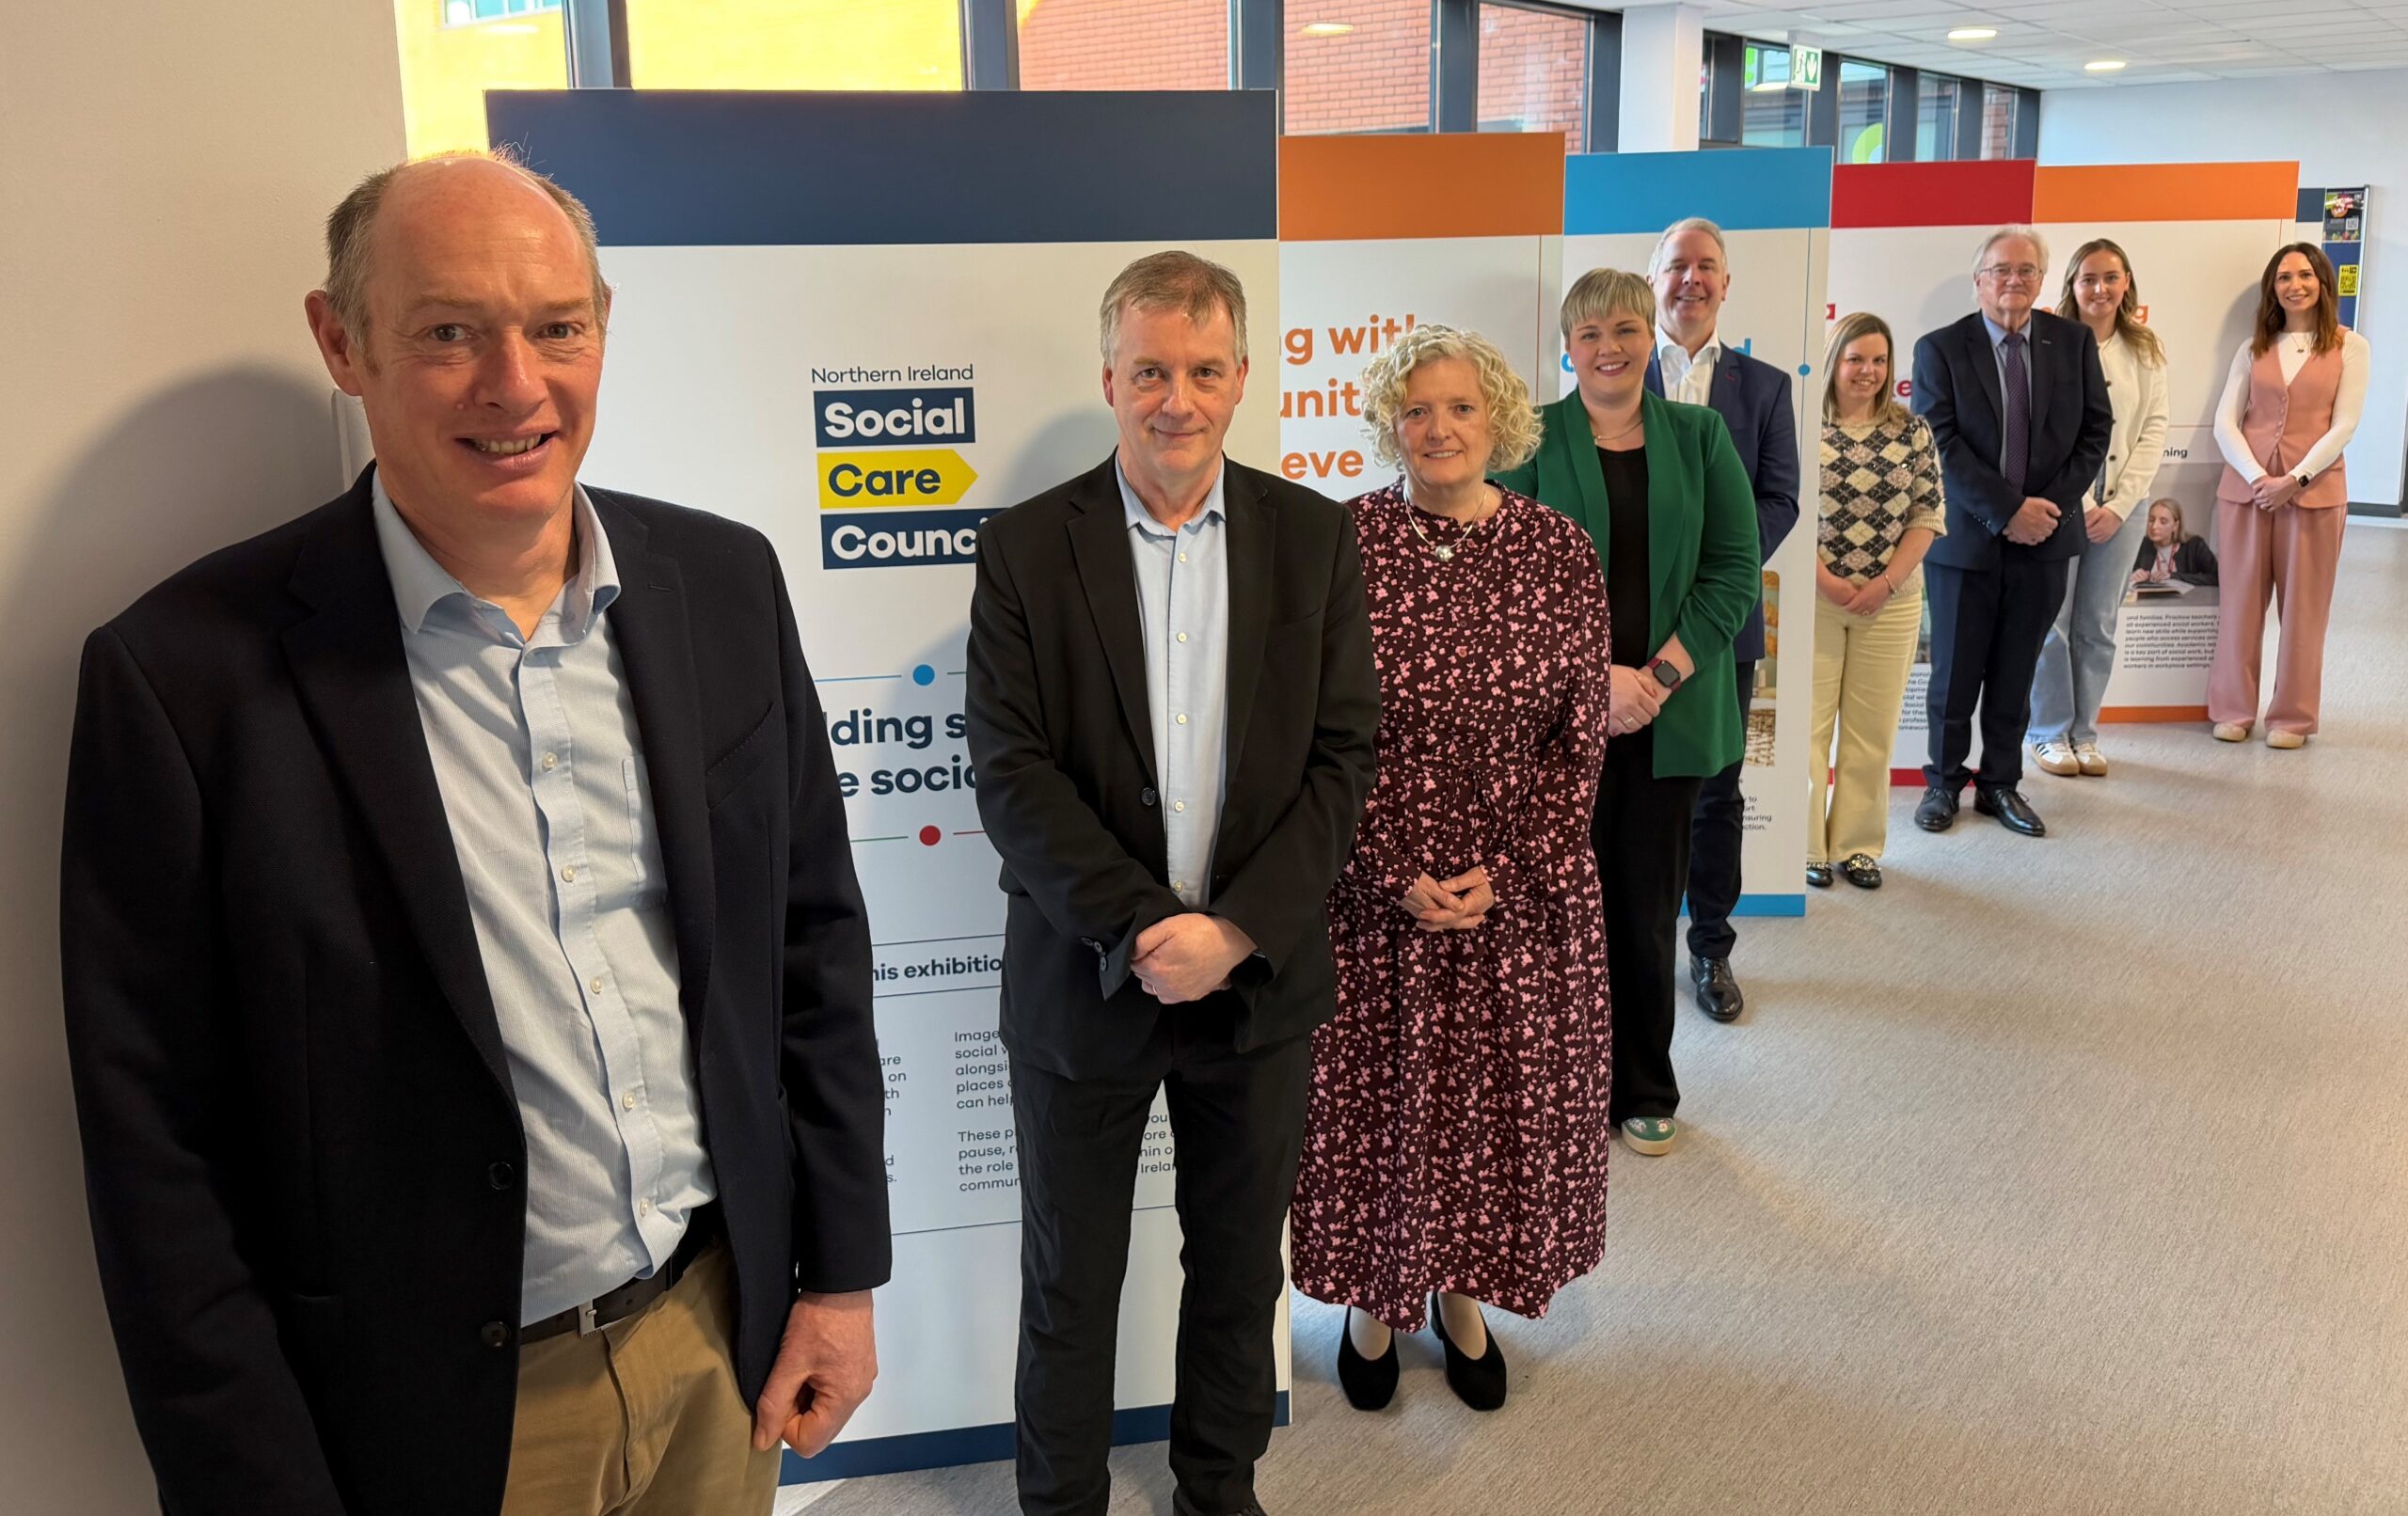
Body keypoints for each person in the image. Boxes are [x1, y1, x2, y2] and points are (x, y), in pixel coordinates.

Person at [58, 154, 888, 1516]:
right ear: (343, 343)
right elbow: (157, 1152)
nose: (516, 385)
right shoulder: (182, 680)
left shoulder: (722, 585)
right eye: (449, 332)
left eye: (557, 325)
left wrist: (839, 1273)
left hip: (709, 1335)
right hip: (426, 1419)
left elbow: (811, 949)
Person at [965, 251, 1378, 1516]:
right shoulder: (1029, 548)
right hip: (1087, 982)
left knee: (1239, 1272)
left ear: (1243, 380)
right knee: (1071, 1281)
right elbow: (1011, 771)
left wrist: (1237, 928)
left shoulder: (1314, 537)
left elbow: (1343, 754)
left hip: (1257, 991)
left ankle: (1217, 1489)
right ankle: (1061, 1502)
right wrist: (1149, 926)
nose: (1175, 399)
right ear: (1109, 377)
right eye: (1150, 370)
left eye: (1203, 371)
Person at [1291, 326, 1610, 1416]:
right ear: (1391, 422)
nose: (1439, 429)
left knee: (1488, 1115)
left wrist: (1509, 873)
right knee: (1377, 1108)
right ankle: (1374, 1304)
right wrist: (1387, 870)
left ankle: (1464, 1296)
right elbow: (1301, 732)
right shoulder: (1336, 544)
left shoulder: (1558, 550)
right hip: (1366, 898)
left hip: (1513, 902)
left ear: (1499, 422)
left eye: (1461, 408)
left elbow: (1579, 737)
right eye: (1417, 409)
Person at [1497, 268, 1759, 1158]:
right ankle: (1557, 1089)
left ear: (1653, 337)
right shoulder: (1527, 437)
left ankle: (1644, 1083)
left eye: (1625, 328)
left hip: (1669, 720)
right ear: (1566, 347)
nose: (1608, 347)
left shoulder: (1701, 434)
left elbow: (1732, 568)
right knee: (1549, 915)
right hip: (1552, 723)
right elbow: (1503, 581)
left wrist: (1656, 676)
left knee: (1644, 910)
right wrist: (1592, 678)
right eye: (1589, 332)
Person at [1643, 217, 1801, 1023]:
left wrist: (1716, 573)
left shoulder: (1765, 387)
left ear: (1727, 283)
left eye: (1707, 266)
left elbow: (1781, 500)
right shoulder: (1614, 374)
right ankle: (1628, 952)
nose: (1691, 280)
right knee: (1627, 795)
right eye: (1677, 266)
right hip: (1626, 632)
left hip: (1725, 625)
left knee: (1716, 793)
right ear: (1655, 280)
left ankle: (1708, 946)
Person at [1910, 226, 2113, 840]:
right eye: (2001, 270)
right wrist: (2006, 510)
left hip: (2046, 538)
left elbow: (2095, 433)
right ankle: (1944, 781)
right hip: (1964, 539)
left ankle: (2000, 783)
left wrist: (2043, 508)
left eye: (2026, 270)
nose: (2013, 281)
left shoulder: (2072, 343)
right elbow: (1938, 442)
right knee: (1954, 671)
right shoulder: (1940, 348)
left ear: (2042, 281)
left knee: (2016, 668)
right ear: (1979, 281)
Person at [2207, 241, 2367, 749]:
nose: (2294, 285)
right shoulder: (2253, 346)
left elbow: (2344, 424)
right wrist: (2258, 478)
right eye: (2283, 277)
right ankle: (2233, 708)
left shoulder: (2350, 346)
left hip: (2314, 495)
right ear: (2271, 288)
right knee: (2239, 605)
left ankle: (2292, 717)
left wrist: (2293, 480)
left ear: (2322, 281)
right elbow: (2224, 423)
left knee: (2304, 610)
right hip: (2246, 494)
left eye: (2304, 275)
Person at [2024, 240, 2171, 781]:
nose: (2100, 289)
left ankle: (2084, 732)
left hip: (2125, 509)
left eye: (2111, 278)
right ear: (2072, 285)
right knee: (2053, 623)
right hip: (2063, 505)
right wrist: (2082, 501)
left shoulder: (2146, 348)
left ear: (2127, 282)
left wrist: (2122, 502)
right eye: (2088, 278)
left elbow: (2155, 428)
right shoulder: (2048, 344)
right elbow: (2046, 431)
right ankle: (2047, 732)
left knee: (2099, 624)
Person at [1811, 313, 1945, 891]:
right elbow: (1783, 515)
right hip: (1817, 599)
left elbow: (1927, 514)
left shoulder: (1912, 431)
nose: (1868, 372)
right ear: (1834, 363)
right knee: (1809, 731)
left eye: (1879, 361)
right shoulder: (1801, 427)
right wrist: (1828, 583)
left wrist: (1884, 583)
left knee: (1871, 732)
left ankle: (1858, 845)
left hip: (1891, 603)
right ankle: (1806, 846)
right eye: (1855, 359)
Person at [2131, 498, 2219, 587]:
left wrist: (2173, 576)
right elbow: (2122, 577)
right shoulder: (2141, 544)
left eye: (2163, 522)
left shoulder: (2194, 545)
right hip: (2148, 599)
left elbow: (2216, 578)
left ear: (2175, 525)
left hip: (2187, 599)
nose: (2154, 526)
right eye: (2151, 520)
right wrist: (2132, 576)